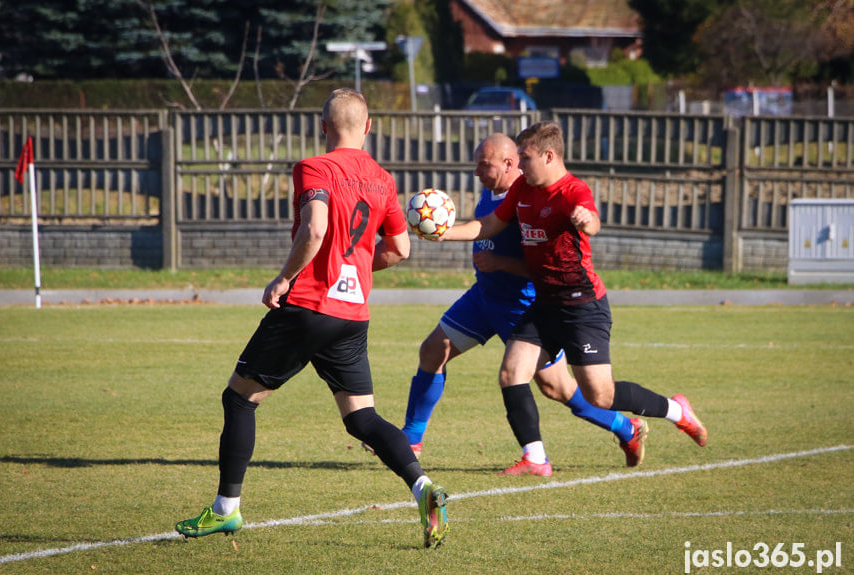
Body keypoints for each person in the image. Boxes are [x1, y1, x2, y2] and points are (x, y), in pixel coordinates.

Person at [175, 88, 449, 549]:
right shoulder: (383, 180)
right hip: (352, 315)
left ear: (323, 127)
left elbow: (316, 227)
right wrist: (358, 266)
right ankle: (423, 488)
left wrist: (284, 278)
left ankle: (225, 510)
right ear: (368, 127)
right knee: (362, 418)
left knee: (240, 398)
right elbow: (400, 249)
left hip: (308, 306)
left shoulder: (315, 167)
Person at [435, 122, 708, 458]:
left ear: (549, 156)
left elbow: (593, 221)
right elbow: (489, 225)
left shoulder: (572, 191)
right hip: (543, 305)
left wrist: (585, 220)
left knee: (600, 396)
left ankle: (676, 411)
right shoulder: (523, 189)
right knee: (512, 373)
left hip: (581, 305)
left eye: (526, 157)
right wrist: (443, 233)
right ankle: (535, 459)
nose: (520, 164)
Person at [401, 133, 648, 475]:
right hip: (483, 298)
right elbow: (482, 228)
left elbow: (542, 265)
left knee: (558, 388)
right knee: (432, 350)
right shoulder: (492, 193)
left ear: (509, 163)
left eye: (483, 165)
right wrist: (443, 232)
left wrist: (503, 264)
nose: (476, 172)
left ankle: (626, 428)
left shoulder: (526, 197)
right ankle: (411, 439)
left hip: (521, 305)